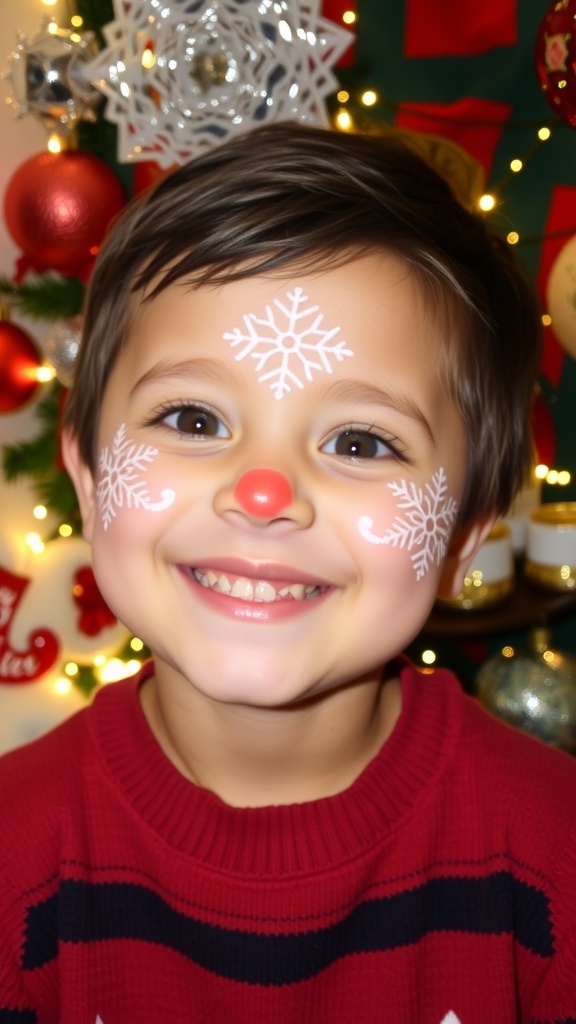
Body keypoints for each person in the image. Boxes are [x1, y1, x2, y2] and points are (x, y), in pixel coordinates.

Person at [0, 121, 574, 1023]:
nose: (264, 493)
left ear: (464, 537)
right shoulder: (13, 868)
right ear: (87, 471)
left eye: (359, 441)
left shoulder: (555, 868)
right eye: (192, 420)